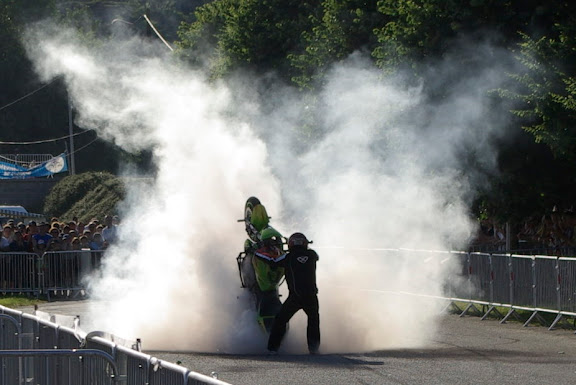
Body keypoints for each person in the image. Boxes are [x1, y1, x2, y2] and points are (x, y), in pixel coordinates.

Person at [267, 232, 320, 355]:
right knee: (313, 320)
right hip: (311, 296)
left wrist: (257, 252)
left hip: (295, 297)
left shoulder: (287, 257)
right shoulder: (312, 255)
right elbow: (312, 257)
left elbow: (272, 262)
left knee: (280, 320)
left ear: (291, 244)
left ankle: (272, 349)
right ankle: (314, 350)